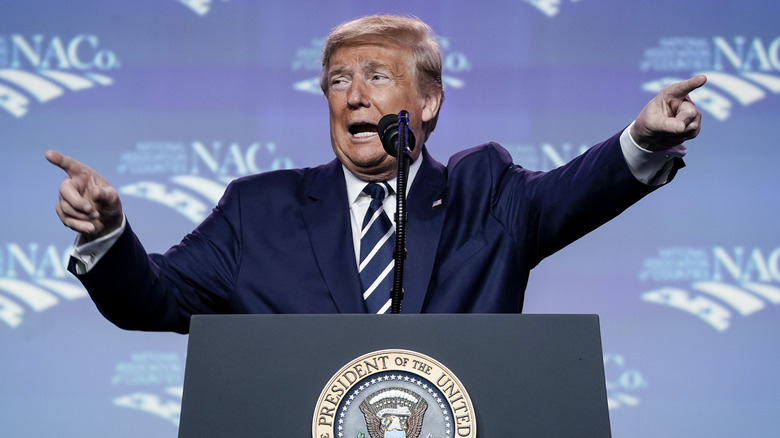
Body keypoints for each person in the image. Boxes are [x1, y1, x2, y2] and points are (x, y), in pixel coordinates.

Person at [46, 15, 704, 334]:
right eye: (338, 81)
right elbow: (152, 299)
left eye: (377, 77)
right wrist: (108, 232)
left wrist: (643, 137)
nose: (353, 96)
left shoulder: (488, 194)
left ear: (430, 102)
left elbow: (578, 189)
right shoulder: (258, 210)